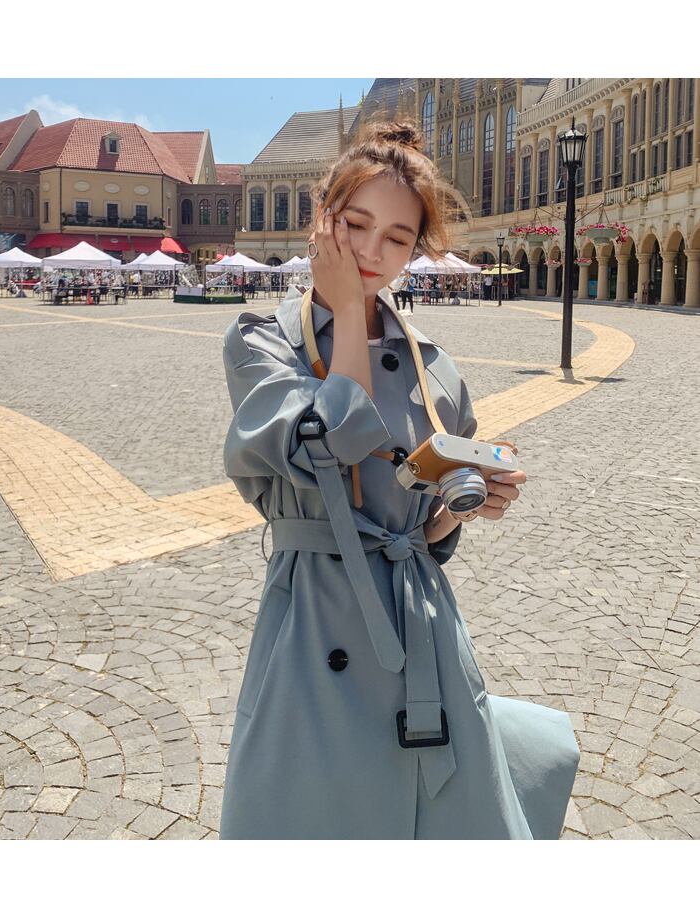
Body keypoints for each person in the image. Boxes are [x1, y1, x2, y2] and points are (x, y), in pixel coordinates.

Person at [219, 120, 579, 840]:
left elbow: (422, 527)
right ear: (324, 217)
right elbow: (329, 441)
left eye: (397, 238)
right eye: (356, 225)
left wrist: (464, 506)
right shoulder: (262, 341)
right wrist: (349, 310)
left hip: (422, 623)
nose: (371, 252)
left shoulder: (436, 366)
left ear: (416, 250)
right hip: (314, 618)